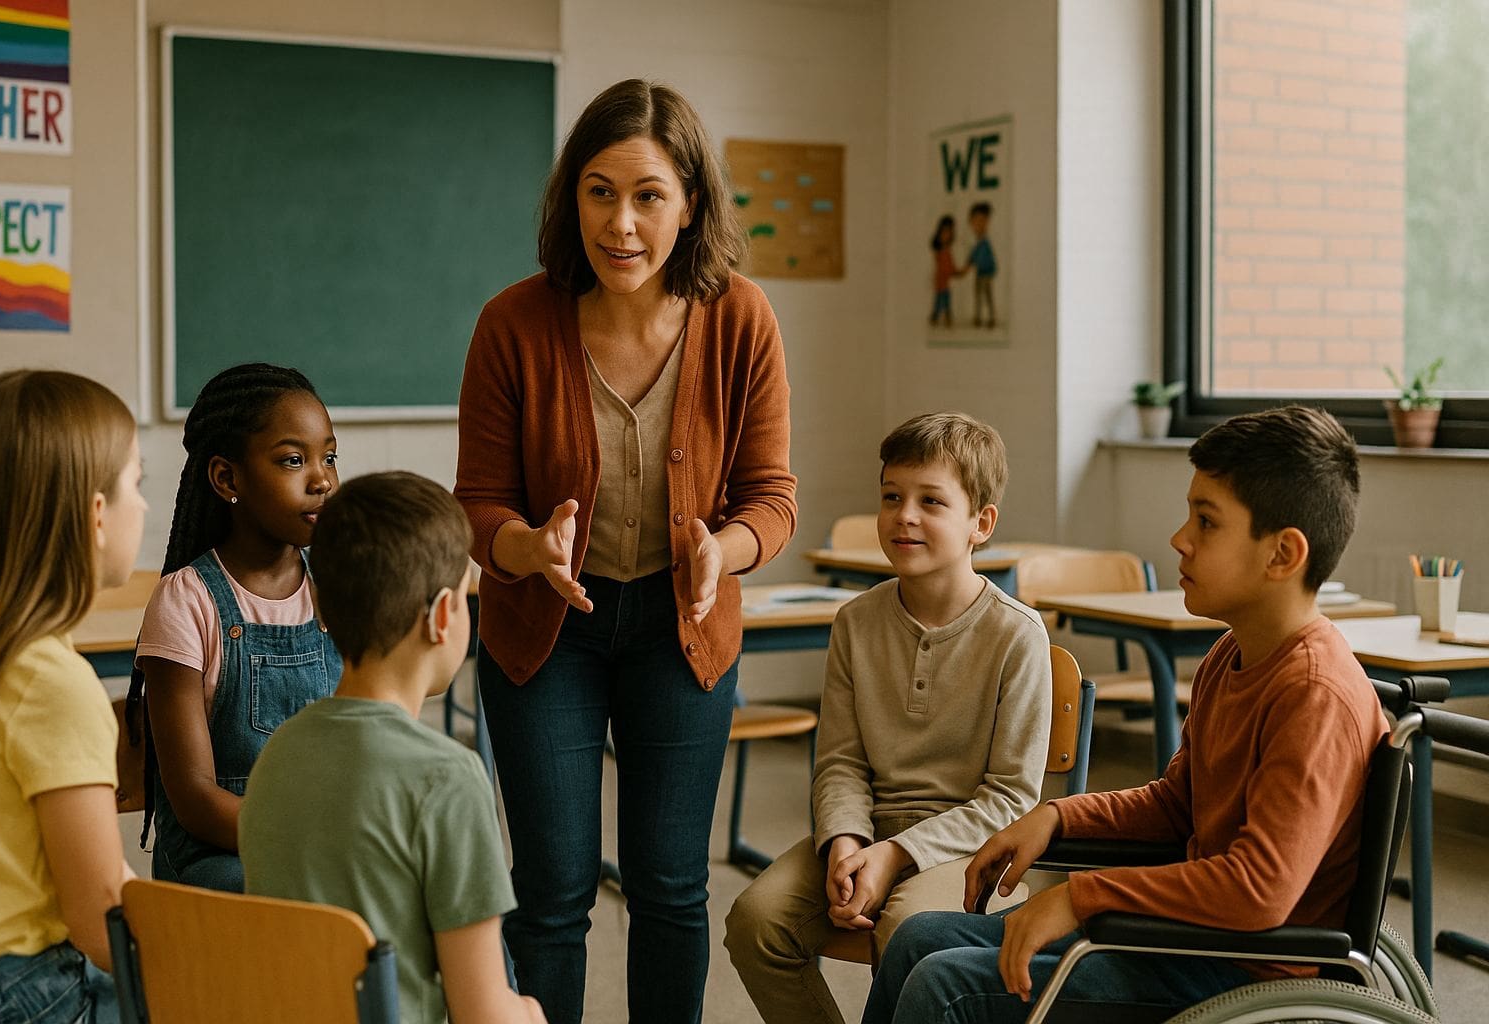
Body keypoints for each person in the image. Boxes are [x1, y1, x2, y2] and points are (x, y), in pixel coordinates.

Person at [863, 405, 1388, 1024]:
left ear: (1282, 555)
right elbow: (1176, 807)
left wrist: (1081, 898)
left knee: (945, 984)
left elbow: (1259, 891)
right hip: (1190, 939)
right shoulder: (1233, 654)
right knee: (916, 940)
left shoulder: (1314, 694)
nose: (1179, 538)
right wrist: (1056, 817)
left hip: (1247, 967)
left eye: (1206, 521)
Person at [454, 78, 797, 1024]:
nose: (622, 223)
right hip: (544, 629)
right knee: (554, 894)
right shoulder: (512, 322)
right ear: (572, 196)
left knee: (671, 886)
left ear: (691, 204)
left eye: (649, 195)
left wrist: (723, 551)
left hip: (682, 628)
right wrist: (525, 546)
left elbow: (773, 497)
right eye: (600, 191)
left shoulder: (741, 318)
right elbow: (476, 503)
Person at [725, 411, 1051, 1024]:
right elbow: (842, 760)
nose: (905, 515)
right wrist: (848, 842)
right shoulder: (856, 621)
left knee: (907, 934)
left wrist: (895, 856)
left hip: (968, 845)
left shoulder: (1016, 633)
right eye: (891, 496)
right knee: (756, 921)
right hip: (868, 827)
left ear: (981, 523)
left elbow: (1011, 798)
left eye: (932, 501)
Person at [241, 472, 545, 1024]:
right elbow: (483, 1012)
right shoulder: (447, 778)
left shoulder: (278, 753)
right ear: (444, 616)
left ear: (324, 611)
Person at [0, 370, 148, 1023]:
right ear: (97, 515)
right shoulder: (52, 683)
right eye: (137, 486)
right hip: (26, 993)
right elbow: (104, 923)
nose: (144, 508)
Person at [127, 363, 342, 892]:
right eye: (294, 460)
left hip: (324, 843)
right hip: (218, 856)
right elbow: (195, 800)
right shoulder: (187, 601)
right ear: (228, 479)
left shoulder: (338, 589)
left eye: (330, 457)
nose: (323, 480)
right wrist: (311, 842)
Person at [967, 202, 997, 329]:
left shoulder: (985, 243)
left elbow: (986, 258)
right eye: (976, 221)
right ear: (971, 223)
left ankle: (991, 318)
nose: (980, 224)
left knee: (987, 295)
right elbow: (973, 256)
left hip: (986, 273)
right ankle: (978, 317)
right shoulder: (978, 244)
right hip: (980, 273)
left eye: (983, 220)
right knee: (978, 295)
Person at [929, 215, 960, 327]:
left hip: (945, 282)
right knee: (941, 301)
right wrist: (953, 272)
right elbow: (944, 267)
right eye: (944, 232)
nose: (947, 235)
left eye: (949, 232)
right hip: (940, 281)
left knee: (945, 299)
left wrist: (955, 271)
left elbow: (951, 265)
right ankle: (938, 318)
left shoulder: (947, 251)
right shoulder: (941, 252)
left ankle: (944, 318)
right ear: (939, 233)